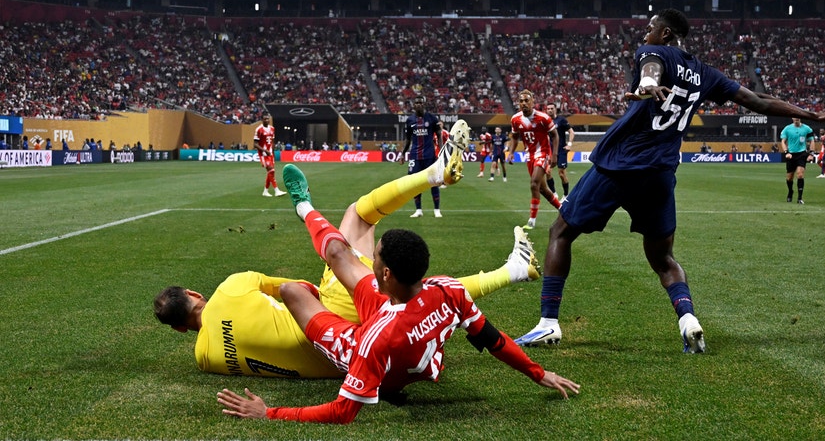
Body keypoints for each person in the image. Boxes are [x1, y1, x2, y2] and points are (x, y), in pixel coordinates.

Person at [514, 8, 825, 352]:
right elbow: (757, 101)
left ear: (665, 34)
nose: (645, 34)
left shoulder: (654, 52)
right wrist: (810, 114)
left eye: (650, 28)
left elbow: (651, 69)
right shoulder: (706, 73)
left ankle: (548, 324)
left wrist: (649, 84)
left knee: (561, 232)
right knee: (663, 258)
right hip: (660, 174)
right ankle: (688, 320)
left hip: (620, 165)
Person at [216, 124, 580, 424]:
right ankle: (305, 207)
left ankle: (307, 215)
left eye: (374, 257)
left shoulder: (374, 340)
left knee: (294, 292)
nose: (369, 258)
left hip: (364, 342)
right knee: (340, 252)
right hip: (394, 316)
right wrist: (539, 373)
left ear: (386, 273)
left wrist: (269, 412)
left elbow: (342, 412)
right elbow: (493, 340)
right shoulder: (447, 291)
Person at [154, 121, 540, 379]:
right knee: (360, 218)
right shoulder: (230, 288)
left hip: (347, 359)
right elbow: (296, 289)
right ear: (194, 293)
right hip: (333, 323)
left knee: (406, 289)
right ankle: (435, 176)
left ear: (179, 328)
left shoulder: (205, 359)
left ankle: (515, 269)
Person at [508, 89, 561, 229]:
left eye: (527, 100)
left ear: (532, 102)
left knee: (533, 184)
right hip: (530, 155)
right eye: (521, 101)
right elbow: (515, 137)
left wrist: (554, 155)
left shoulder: (543, 118)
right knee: (542, 188)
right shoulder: (515, 119)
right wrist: (511, 152)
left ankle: (532, 220)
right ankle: (563, 209)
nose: (524, 103)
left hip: (543, 153)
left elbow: (555, 135)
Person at [399, 96, 444, 218]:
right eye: (416, 103)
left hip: (429, 156)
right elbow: (408, 139)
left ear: (424, 104)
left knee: (434, 182)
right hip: (415, 156)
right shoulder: (410, 120)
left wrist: (441, 152)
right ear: (414, 105)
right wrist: (402, 154)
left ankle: (437, 210)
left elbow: (439, 135)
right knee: (414, 183)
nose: (418, 104)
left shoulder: (432, 118)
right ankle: (418, 210)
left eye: (420, 102)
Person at [780, 118, 816, 204]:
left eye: (797, 117)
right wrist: (786, 152)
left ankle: (800, 198)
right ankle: (790, 191)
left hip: (802, 154)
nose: (796, 119)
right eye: (794, 117)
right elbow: (783, 141)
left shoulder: (807, 128)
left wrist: (811, 154)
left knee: (800, 175)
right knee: (789, 177)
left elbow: (812, 140)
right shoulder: (787, 128)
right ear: (792, 118)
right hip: (791, 154)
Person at [545, 102, 574, 198]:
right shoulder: (545, 121)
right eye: (548, 109)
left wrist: (569, 144)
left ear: (555, 109)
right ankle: (554, 193)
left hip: (561, 150)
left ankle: (566, 195)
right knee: (548, 172)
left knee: (561, 174)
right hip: (550, 151)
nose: (550, 110)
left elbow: (571, 132)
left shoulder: (561, 120)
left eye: (551, 108)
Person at [254, 114, 286, 198]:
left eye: (268, 119)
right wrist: (264, 150)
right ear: (262, 120)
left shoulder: (272, 128)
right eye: (265, 119)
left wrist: (272, 151)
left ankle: (265, 191)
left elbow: (272, 141)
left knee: (271, 172)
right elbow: (255, 144)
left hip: (270, 153)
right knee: (271, 170)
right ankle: (277, 191)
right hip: (263, 154)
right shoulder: (259, 129)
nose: (267, 120)